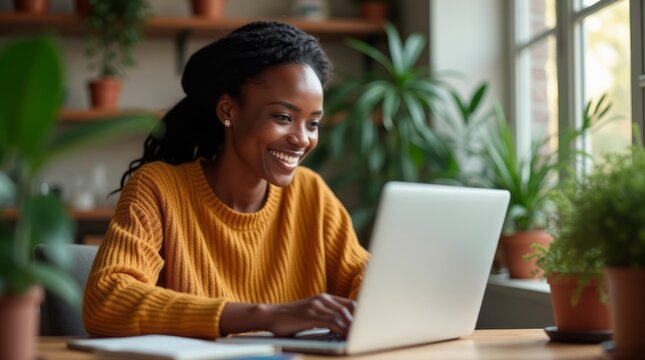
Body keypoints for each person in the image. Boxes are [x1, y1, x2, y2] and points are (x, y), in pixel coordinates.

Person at [83, 21, 369, 339]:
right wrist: (267, 316)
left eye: (313, 123)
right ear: (227, 109)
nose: (302, 139)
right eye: (284, 117)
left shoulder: (312, 195)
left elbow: (368, 283)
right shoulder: (159, 188)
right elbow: (106, 300)